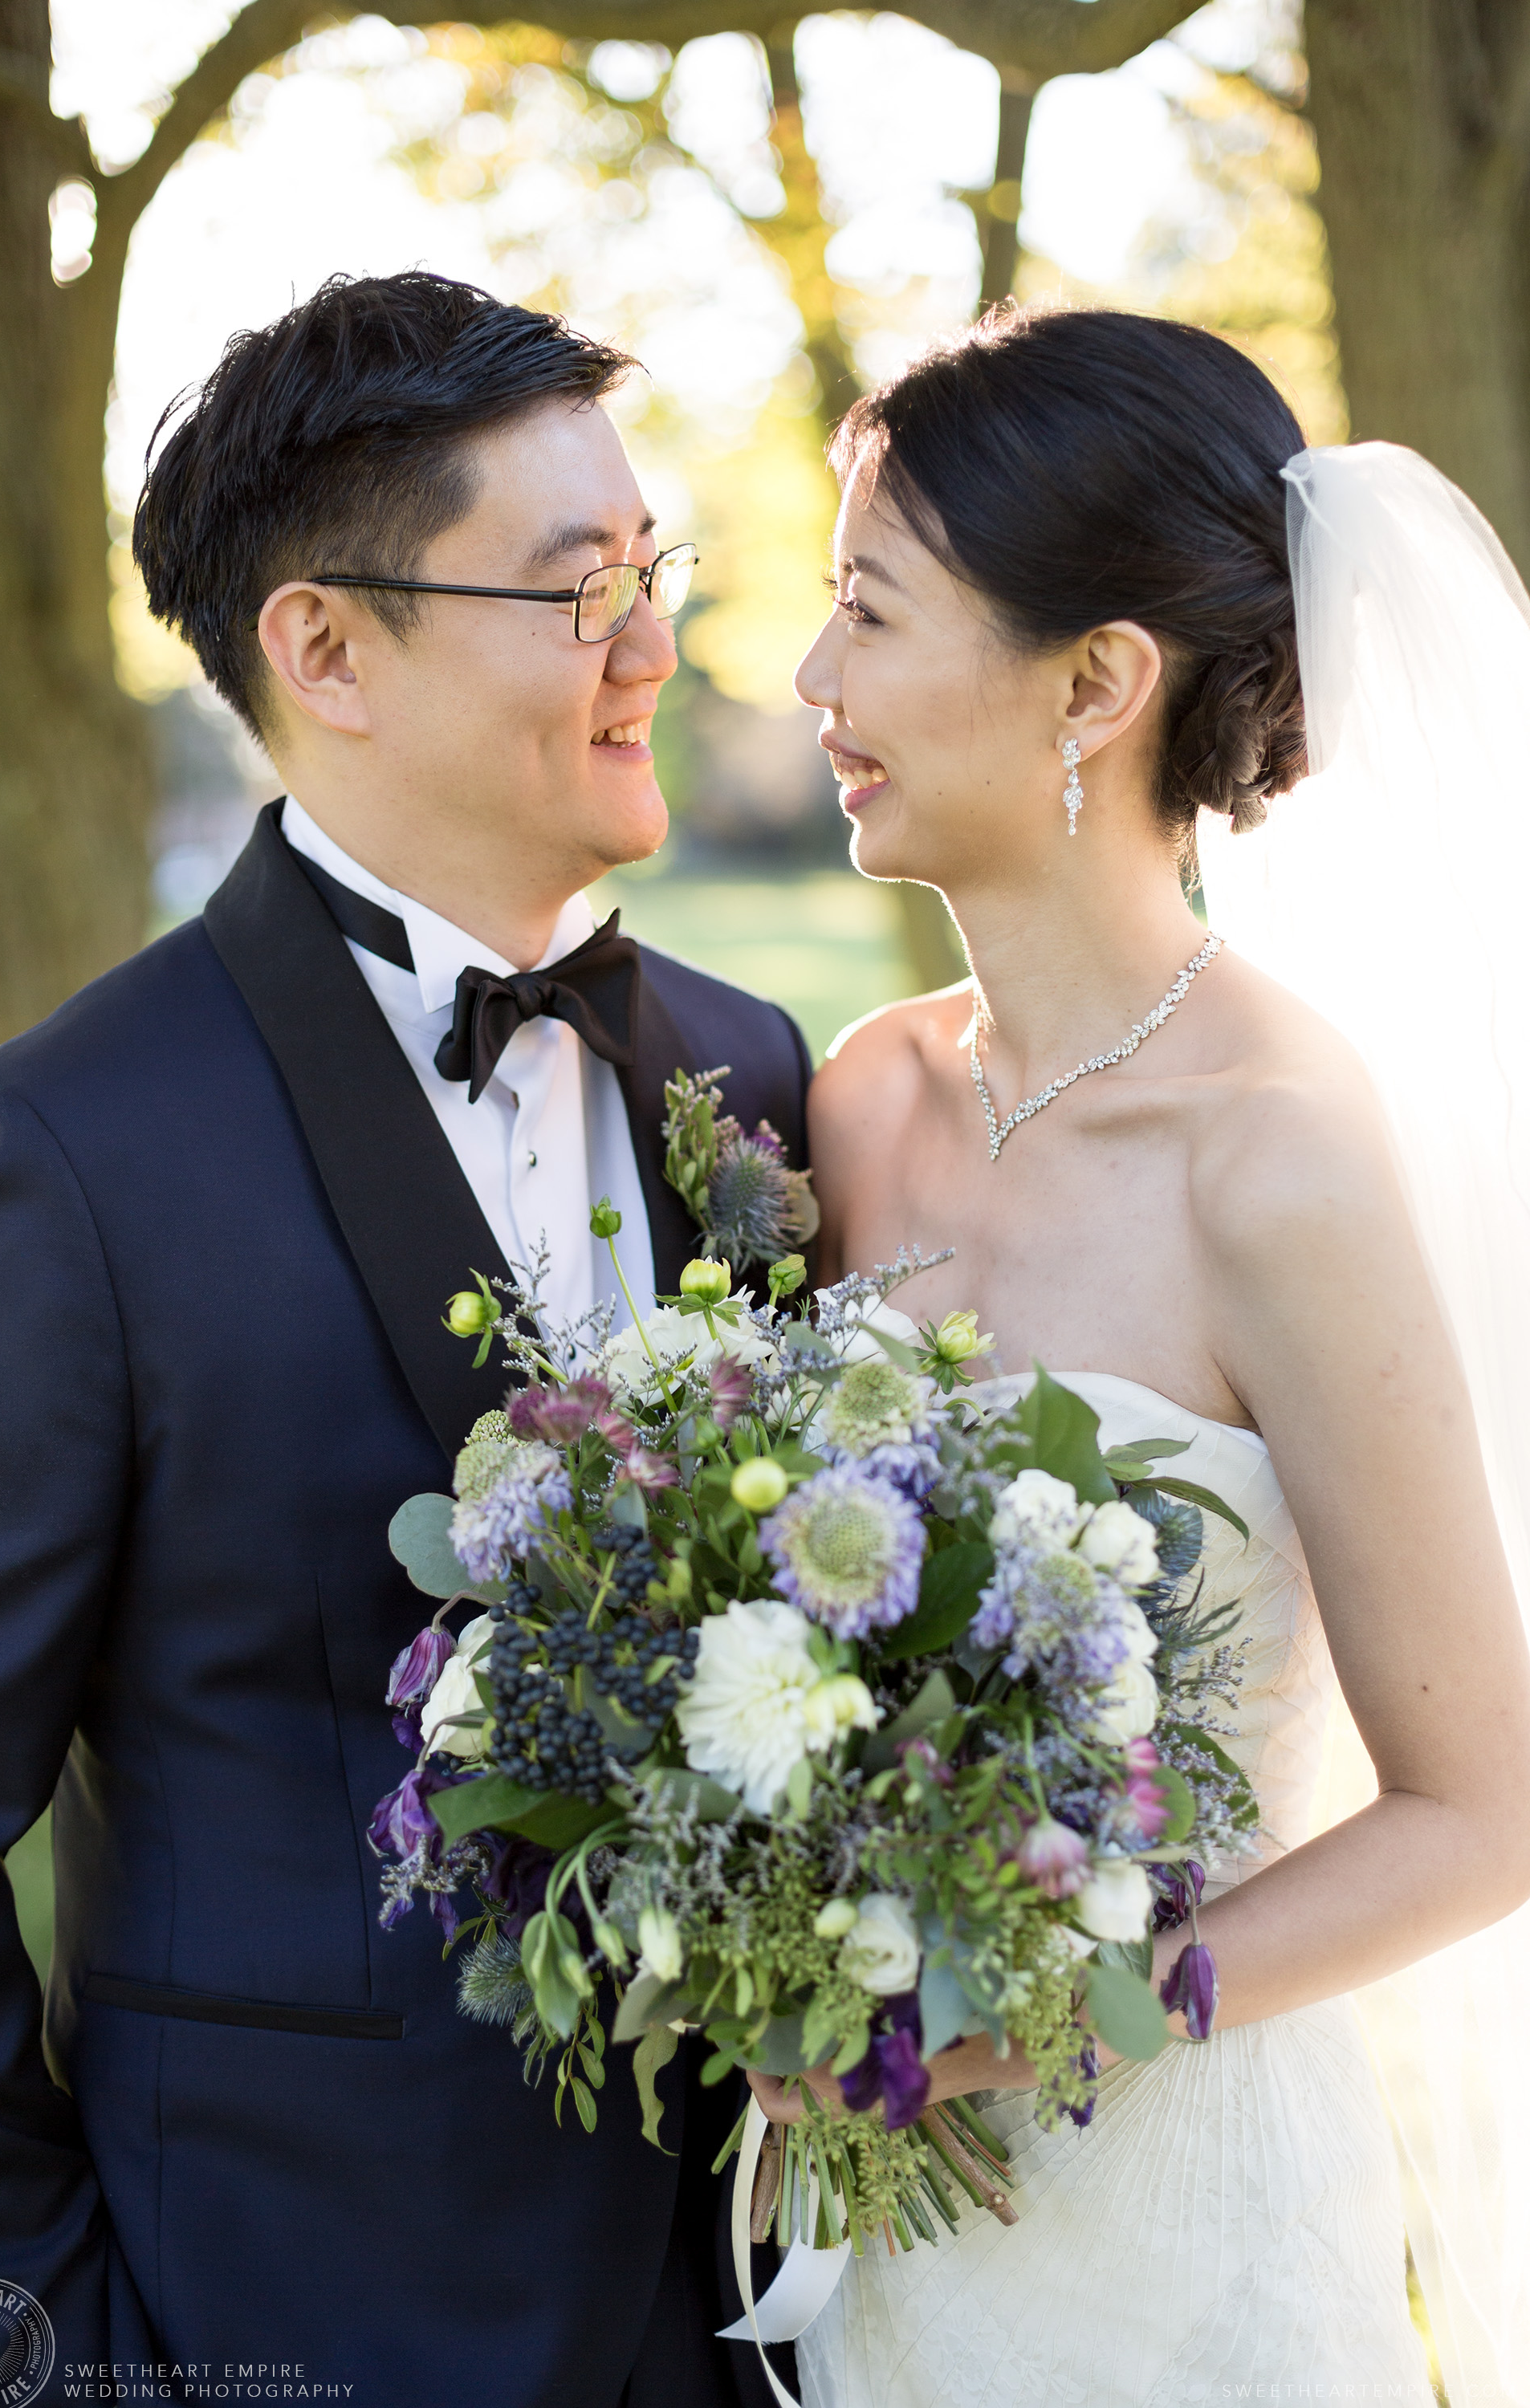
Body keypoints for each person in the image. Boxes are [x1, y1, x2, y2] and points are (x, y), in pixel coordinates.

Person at [0, 271, 808, 2405]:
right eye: (573, 588)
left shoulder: (756, 1071)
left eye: (652, 572)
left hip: (760, 2325)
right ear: (326, 646)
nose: (653, 648)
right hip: (278, 2331)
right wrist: (53, 2365)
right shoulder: (60, 1158)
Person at [747, 306, 1530, 2402]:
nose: (811, 684)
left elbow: (1486, 1806)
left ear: (1096, 680)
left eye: (868, 613)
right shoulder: (857, 1102)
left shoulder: (1277, 1158)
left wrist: (1066, 2014)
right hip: (892, 2225)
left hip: (1190, 2228)